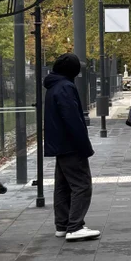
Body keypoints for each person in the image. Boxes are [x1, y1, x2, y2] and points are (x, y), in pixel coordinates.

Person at [43, 53, 100, 241]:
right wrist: (84, 146)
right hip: (71, 145)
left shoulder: (53, 87)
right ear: (73, 70)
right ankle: (75, 226)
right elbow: (73, 120)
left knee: (63, 185)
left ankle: (62, 225)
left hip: (59, 144)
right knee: (82, 184)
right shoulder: (66, 87)